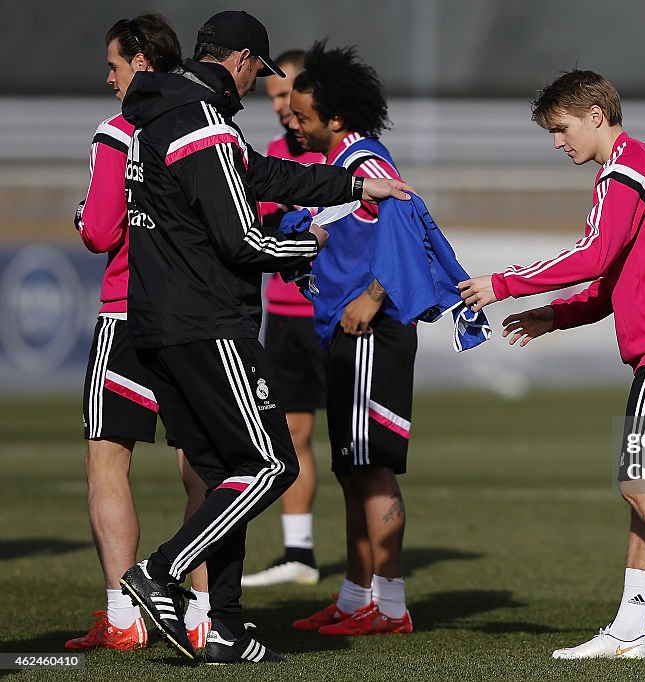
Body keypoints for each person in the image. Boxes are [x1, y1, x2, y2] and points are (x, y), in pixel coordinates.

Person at [117, 12, 411, 664]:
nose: (258, 88)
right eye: (260, 73)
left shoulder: (159, 115)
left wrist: (356, 185)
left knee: (224, 470)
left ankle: (223, 626)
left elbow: (267, 176)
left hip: (160, 324)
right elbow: (241, 238)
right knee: (272, 462)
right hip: (207, 322)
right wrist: (309, 244)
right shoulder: (202, 122)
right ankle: (161, 570)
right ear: (244, 60)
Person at [458, 69, 645, 664]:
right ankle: (628, 630)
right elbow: (612, 279)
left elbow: (593, 256)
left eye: (561, 128)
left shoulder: (625, 169)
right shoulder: (640, 164)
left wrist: (505, 283)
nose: (557, 142)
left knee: (640, 483)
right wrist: (551, 317)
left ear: (596, 115)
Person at [68, 13, 211, 652]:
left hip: (128, 312)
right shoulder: (206, 124)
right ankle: (203, 613)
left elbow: (99, 231)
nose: (109, 77)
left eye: (115, 65)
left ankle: (123, 618)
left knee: (108, 459)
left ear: (141, 66)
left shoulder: (118, 132)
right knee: (205, 464)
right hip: (191, 316)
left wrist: (82, 215)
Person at [287, 41, 415, 637]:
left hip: (372, 332)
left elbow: (409, 227)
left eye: (304, 114)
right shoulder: (339, 167)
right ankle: (355, 598)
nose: (295, 121)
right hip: (341, 333)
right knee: (351, 468)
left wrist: (375, 294)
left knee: (373, 470)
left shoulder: (368, 164)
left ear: (335, 117)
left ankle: (390, 607)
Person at [242, 49, 326, 588]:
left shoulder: (342, 153)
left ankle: (371, 583)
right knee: (291, 432)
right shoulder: (269, 155)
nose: (279, 108)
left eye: (285, 96)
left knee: (353, 445)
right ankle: (300, 552)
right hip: (283, 313)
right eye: (273, 98)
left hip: (334, 316)